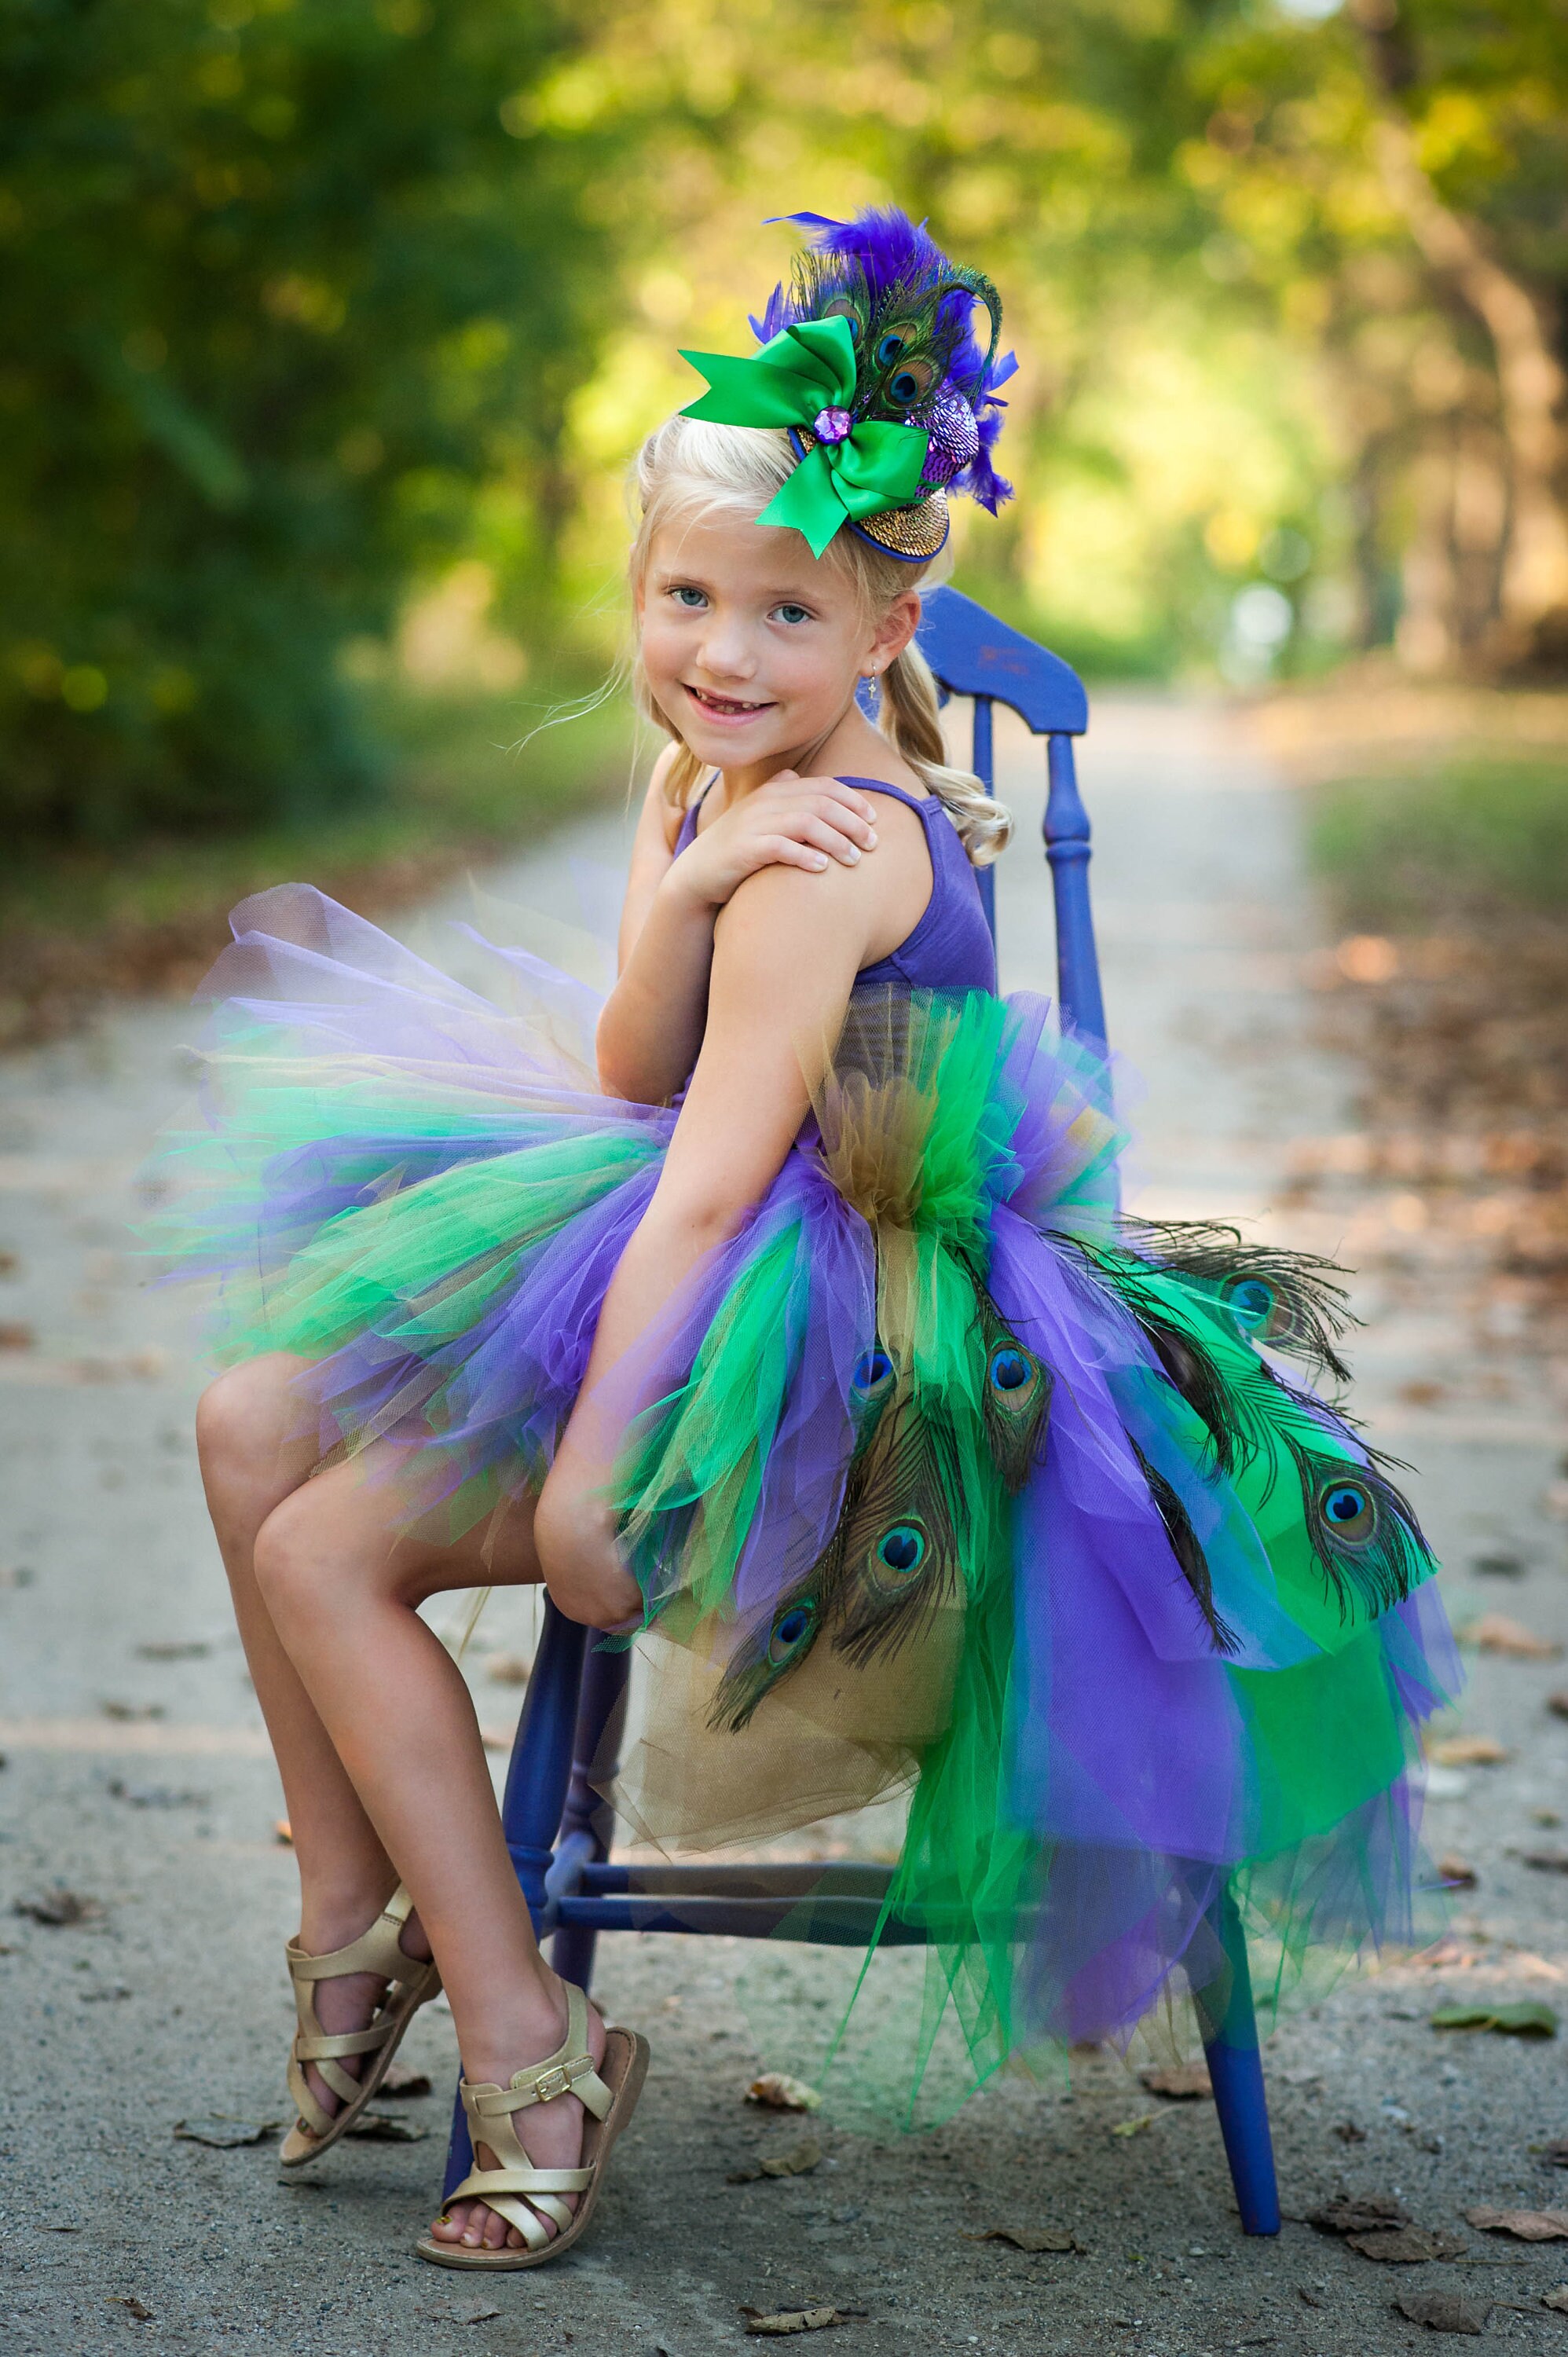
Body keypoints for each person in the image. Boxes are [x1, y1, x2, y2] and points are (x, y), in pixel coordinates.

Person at [156, 209, 1456, 2274]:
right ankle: (351, 1920)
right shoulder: (713, 794)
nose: (721, 652)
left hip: (849, 1350)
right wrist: (673, 887)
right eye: (685, 599)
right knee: (247, 1424)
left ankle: (527, 2038)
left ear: (883, 628)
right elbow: (625, 1068)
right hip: (701, 1254)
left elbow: (696, 1184)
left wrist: (591, 1467)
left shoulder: (831, 854)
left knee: (323, 1542)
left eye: (782, 612)